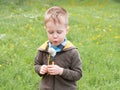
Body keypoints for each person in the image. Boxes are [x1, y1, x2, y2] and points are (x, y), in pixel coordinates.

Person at [34, 6, 82, 90]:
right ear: (46, 30)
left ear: (67, 30)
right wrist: (40, 69)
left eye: (59, 32)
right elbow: (36, 65)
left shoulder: (72, 52)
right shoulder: (43, 50)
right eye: (51, 32)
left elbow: (78, 74)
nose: (55, 36)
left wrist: (61, 71)